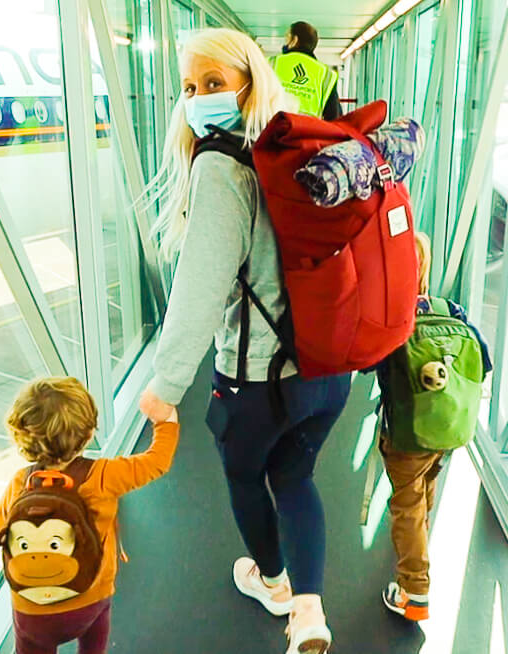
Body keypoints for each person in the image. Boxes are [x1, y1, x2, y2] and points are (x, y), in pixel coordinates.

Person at [138, 28, 351, 654]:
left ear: (248, 80)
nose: (198, 98)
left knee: (243, 477)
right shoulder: (301, 150)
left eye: (212, 83)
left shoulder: (221, 166)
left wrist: (165, 384)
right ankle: (309, 611)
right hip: (325, 372)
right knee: (297, 478)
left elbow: (200, 287)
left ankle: (274, 581)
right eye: (188, 88)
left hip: (256, 381)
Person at [0, 377, 179, 654]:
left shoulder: (21, 482)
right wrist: (167, 422)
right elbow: (157, 462)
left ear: (24, 437)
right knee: (94, 643)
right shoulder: (104, 475)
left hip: (31, 609)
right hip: (90, 599)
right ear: (89, 433)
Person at [379, 232, 491, 623]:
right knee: (426, 482)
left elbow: (365, 365)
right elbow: (484, 361)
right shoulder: (450, 309)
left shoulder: (395, 320)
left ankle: (414, 590)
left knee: (405, 502)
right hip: (448, 425)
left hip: (408, 431)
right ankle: (418, 537)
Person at [270, 21, 341, 120]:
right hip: (309, 133)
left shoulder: (272, 63)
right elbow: (334, 115)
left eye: (286, 37)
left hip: (273, 130)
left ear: (294, 40)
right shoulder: (326, 74)